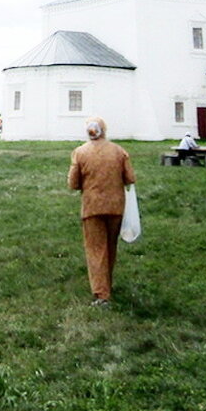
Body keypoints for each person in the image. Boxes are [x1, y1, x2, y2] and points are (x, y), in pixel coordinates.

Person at [67, 117, 136, 307]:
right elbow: (130, 178)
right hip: (116, 207)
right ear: (104, 130)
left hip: (92, 207)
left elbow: (73, 183)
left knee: (96, 250)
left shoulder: (80, 152)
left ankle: (101, 293)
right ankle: (107, 284)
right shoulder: (119, 151)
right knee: (110, 247)